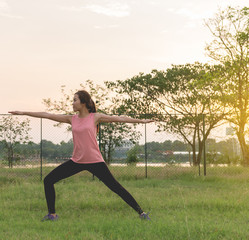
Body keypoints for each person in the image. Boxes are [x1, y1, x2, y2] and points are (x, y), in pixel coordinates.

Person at [9, 90, 154, 221]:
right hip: (77, 161)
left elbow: (120, 119)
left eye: (75, 100)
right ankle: (52, 215)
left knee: (116, 187)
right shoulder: (71, 119)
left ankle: (141, 213)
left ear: (83, 102)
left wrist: (142, 121)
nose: (72, 103)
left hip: (95, 161)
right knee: (48, 180)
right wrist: (23, 112)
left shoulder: (95, 117)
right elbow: (47, 115)